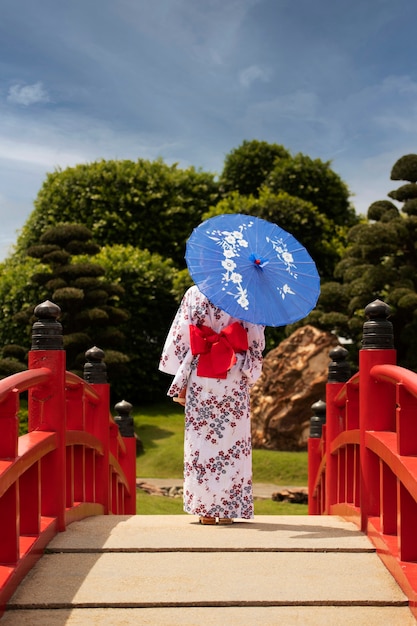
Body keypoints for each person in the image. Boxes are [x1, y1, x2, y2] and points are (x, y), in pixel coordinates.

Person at [159, 284, 265, 525]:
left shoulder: (194, 293)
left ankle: (204, 510)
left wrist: (180, 372)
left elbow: (181, 334)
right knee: (232, 440)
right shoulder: (246, 292)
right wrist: (253, 367)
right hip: (233, 370)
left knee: (201, 439)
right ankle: (227, 509)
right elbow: (255, 335)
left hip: (201, 367)